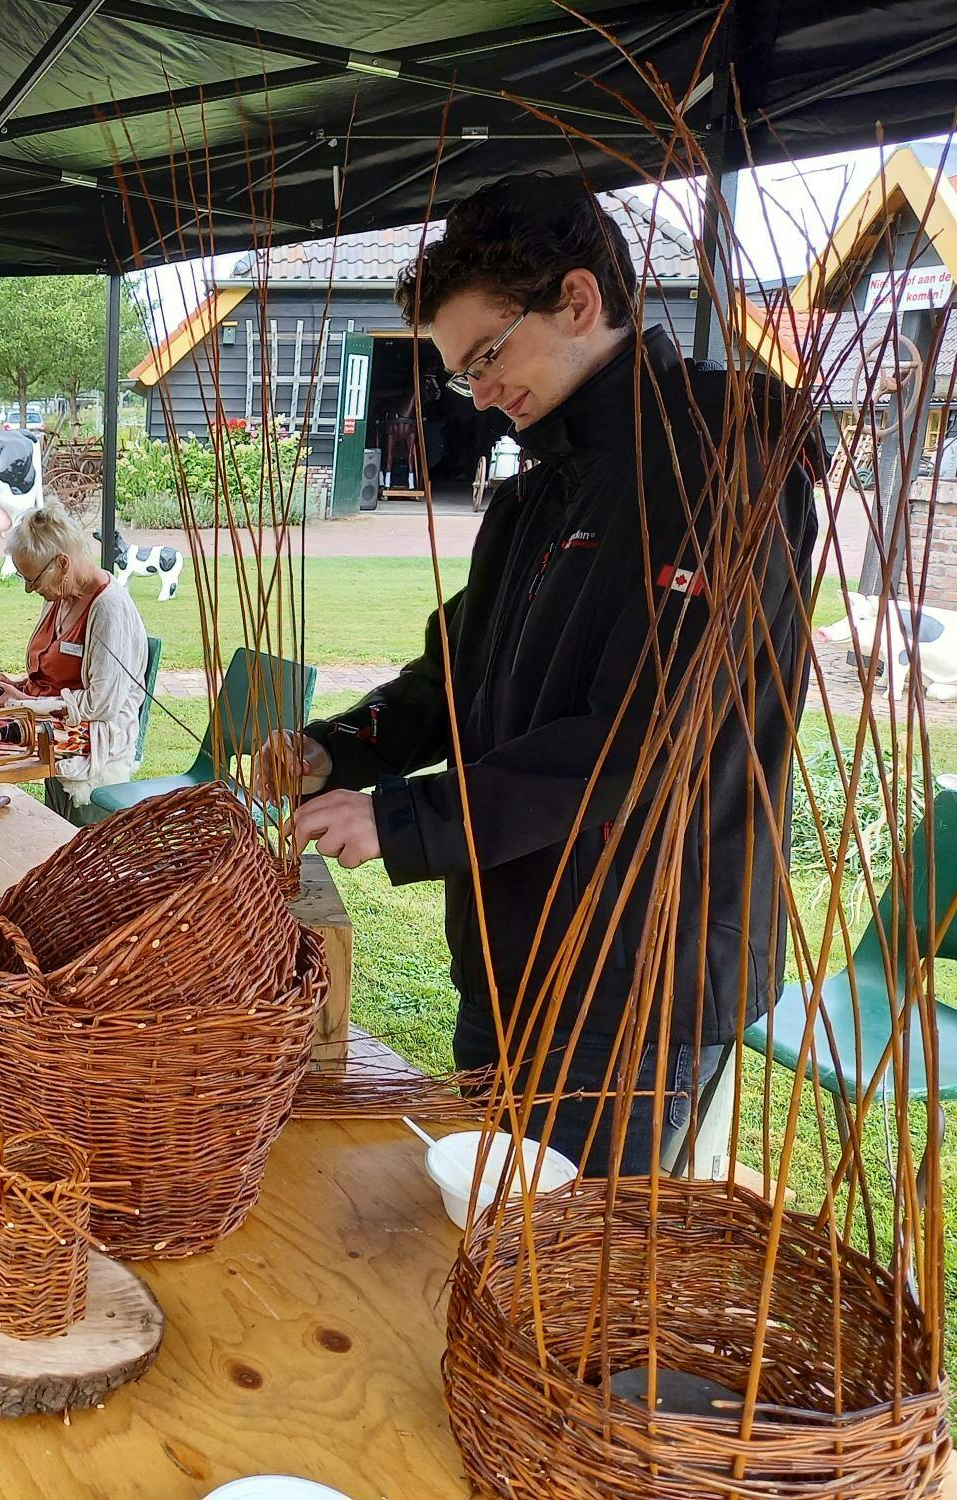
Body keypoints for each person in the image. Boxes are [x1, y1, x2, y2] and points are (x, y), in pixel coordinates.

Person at [285, 173, 819, 1177]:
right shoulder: (540, 484)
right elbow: (461, 667)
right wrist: (341, 749)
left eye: (485, 356)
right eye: (460, 375)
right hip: (511, 938)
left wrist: (401, 821)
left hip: (632, 968)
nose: (478, 395)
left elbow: (650, 737)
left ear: (577, 301)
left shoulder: (725, 461)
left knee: (569, 1272)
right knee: (488, 1241)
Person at [0, 500, 148, 820]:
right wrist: (16, 687)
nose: (27, 589)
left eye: (33, 580)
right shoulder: (60, 597)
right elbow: (48, 676)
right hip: (58, 726)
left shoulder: (108, 608)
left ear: (62, 563)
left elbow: (100, 705)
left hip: (97, 739)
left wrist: (24, 702)